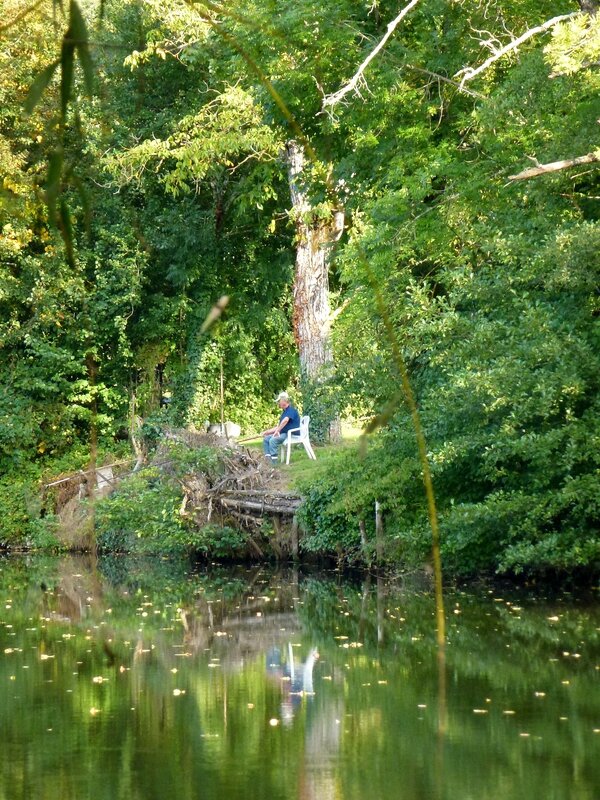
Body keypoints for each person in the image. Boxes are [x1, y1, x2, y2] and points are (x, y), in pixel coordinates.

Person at [262, 391, 301, 463]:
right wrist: (267, 432)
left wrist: (277, 431)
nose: (278, 403)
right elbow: (279, 426)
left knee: (272, 440)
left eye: (279, 401)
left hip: (289, 434)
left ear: (284, 401)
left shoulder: (291, 410)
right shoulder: (284, 412)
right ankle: (267, 460)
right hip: (283, 433)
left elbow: (285, 420)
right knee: (266, 439)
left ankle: (274, 463)